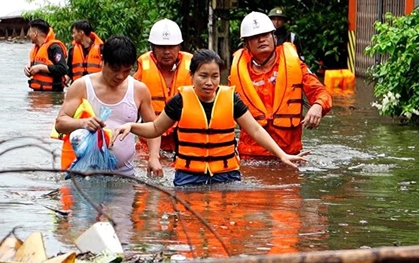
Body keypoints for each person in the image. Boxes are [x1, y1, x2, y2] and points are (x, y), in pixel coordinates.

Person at [113, 49, 308, 186]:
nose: (209, 82)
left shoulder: (231, 99)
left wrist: (281, 154)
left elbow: (256, 130)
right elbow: (156, 129)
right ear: (192, 75)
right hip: (188, 177)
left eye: (215, 76)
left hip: (226, 175)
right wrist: (132, 126)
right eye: (203, 75)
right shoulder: (180, 101)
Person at [54, 35, 162, 177]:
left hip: (124, 175)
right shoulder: (82, 86)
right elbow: (60, 123)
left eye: (126, 70)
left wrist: (154, 157)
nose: (120, 76)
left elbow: (153, 128)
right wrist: (82, 123)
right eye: (115, 69)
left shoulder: (138, 90)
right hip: (85, 174)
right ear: (102, 61)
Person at [229, 11, 332, 157]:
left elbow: (322, 92)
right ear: (246, 45)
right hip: (251, 156)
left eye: (265, 35)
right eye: (255, 37)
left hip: (291, 154)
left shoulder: (295, 66)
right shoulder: (238, 74)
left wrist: (318, 106)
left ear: (274, 37)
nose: (261, 40)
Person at [133, 19, 193, 151]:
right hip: (148, 142)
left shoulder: (195, 69)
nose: (167, 52)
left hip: (184, 142)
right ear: (152, 48)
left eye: (171, 47)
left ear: (179, 47)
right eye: (161, 47)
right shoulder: (142, 71)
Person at [24, 19, 68, 92]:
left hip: (53, 95)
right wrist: (28, 68)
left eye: (30, 31)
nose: (28, 34)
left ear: (35, 33)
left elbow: (63, 69)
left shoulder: (54, 47)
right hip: (37, 93)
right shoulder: (36, 49)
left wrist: (42, 68)